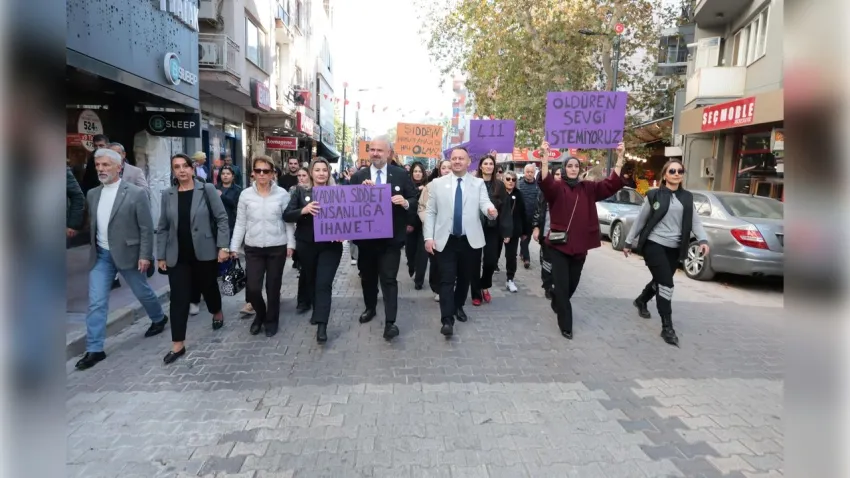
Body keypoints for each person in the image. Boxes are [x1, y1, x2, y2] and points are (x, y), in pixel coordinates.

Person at [76, 148, 169, 370]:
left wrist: (145, 255)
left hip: (129, 255)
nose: (101, 169)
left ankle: (158, 318)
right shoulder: (92, 194)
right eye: (98, 165)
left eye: (106, 165)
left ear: (119, 167)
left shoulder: (135, 193)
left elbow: (146, 228)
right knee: (97, 302)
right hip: (101, 256)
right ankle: (95, 349)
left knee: (142, 292)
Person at [538, 141, 626, 340]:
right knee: (562, 286)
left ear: (579, 169)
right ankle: (566, 325)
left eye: (576, 166)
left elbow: (610, 185)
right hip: (559, 246)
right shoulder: (557, 188)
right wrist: (544, 158)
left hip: (580, 246)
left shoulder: (588, 188)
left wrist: (620, 158)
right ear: (564, 168)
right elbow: (546, 183)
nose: (573, 169)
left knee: (571, 285)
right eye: (569, 166)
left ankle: (558, 300)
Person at [624, 160, 709, 347]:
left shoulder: (687, 197)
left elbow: (695, 222)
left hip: (675, 248)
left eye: (680, 171)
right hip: (654, 244)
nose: (677, 174)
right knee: (667, 284)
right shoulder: (653, 195)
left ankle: (641, 300)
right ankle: (667, 327)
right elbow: (640, 220)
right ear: (664, 175)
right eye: (672, 171)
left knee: (660, 281)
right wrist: (628, 241)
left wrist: (703, 240)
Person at [156, 153, 230, 364]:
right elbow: (163, 227)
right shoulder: (168, 194)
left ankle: (216, 311)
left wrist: (223, 247)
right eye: (176, 167)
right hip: (178, 255)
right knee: (179, 299)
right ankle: (178, 344)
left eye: (185, 166)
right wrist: (161, 255)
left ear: (192, 168)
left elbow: (221, 218)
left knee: (209, 288)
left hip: (205, 252)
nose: (181, 170)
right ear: (173, 171)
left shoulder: (206, 189)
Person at [349, 136, 418, 341]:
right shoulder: (358, 177)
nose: (375, 153)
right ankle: (370, 308)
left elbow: (414, 199)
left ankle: (390, 322)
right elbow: (349, 207)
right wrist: (361, 193)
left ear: (389, 153)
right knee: (368, 278)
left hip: (391, 240)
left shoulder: (400, 175)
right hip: (366, 240)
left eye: (380, 150)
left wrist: (405, 202)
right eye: (372, 150)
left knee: (388, 279)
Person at [424, 147, 497, 337]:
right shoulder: (437, 183)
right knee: (446, 279)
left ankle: (458, 306)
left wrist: (490, 210)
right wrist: (428, 237)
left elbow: (484, 202)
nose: (457, 161)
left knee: (465, 278)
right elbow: (430, 212)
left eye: (461, 158)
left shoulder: (478, 183)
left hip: (470, 240)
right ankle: (447, 320)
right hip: (445, 240)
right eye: (454, 158)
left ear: (468, 162)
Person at [229, 156, 295, 337]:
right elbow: (240, 222)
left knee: (273, 288)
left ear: (273, 173)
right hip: (253, 247)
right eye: (258, 170)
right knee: (253, 289)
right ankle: (260, 315)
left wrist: (291, 244)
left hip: (277, 246)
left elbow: (288, 222)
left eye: (266, 171)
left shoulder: (282, 194)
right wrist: (234, 246)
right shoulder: (245, 195)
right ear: (253, 173)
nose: (262, 174)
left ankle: (271, 321)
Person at [284, 157, 341, 343]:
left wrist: (343, 232)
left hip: (330, 246)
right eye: (317, 170)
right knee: (312, 281)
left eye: (324, 170)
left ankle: (322, 326)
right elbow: (287, 215)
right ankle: (317, 311)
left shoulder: (338, 193)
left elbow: (348, 216)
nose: (321, 173)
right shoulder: (300, 191)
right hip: (307, 245)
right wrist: (304, 210)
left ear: (329, 172)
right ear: (311, 173)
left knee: (324, 283)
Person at [470, 153, 512, 306]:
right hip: (475, 227)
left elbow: (505, 209)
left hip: (492, 229)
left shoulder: (499, 185)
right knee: (474, 262)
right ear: (480, 166)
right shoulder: (473, 183)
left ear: (494, 167)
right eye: (486, 163)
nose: (488, 166)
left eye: (491, 164)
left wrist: (506, 231)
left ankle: (484, 285)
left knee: (490, 261)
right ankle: (476, 293)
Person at [417, 159, 452, 301]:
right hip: (435, 231)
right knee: (436, 261)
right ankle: (437, 288)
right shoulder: (430, 186)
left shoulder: (461, 186)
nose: (447, 170)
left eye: (449, 167)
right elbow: (422, 207)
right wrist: (429, 222)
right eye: (444, 168)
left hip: (453, 231)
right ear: (439, 170)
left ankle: (448, 286)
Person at [532, 167, 564, 299]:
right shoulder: (545, 192)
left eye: (562, 174)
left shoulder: (569, 191)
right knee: (547, 260)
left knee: (559, 261)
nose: (559, 176)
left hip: (563, 234)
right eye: (557, 174)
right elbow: (538, 210)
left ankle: (558, 283)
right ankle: (548, 286)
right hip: (547, 232)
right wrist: (536, 227)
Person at [500, 170, 531, 293]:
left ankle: (510, 279)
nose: (511, 182)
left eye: (513, 179)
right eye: (508, 179)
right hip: (498, 230)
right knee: (492, 257)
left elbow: (524, 213)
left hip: (513, 230)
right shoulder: (498, 193)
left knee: (511, 256)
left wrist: (525, 232)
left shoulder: (519, 194)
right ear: (503, 180)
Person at [406, 162, 429, 286]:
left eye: (420, 171)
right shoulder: (407, 186)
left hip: (424, 224)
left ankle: (419, 280)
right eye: (415, 171)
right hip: (410, 224)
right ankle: (412, 267)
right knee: (410, 252)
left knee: (422, 253)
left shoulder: (428, 186)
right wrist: (416, 190)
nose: (418, 173)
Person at [516, 163, 540, 269]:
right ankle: (527, 259)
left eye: (532, 172)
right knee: (524, 237)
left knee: (527, 238)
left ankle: (522, 252)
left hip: (532, 217)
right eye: (528, 172)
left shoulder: (538, 186)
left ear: (534, 173)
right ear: (524, 172)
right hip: (521, 217)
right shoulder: (519, 184)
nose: (529, 174)